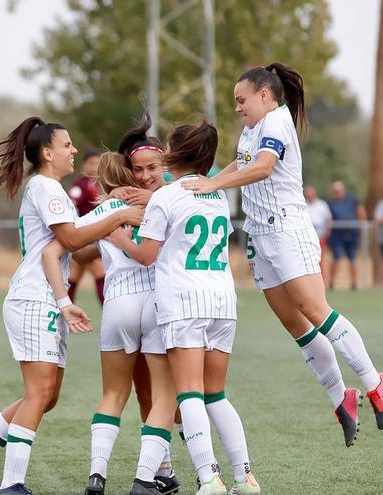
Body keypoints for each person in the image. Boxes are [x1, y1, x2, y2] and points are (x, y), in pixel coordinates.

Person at [181, 63, 383, 448]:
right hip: (261, 237)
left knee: (316, 310)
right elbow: (244, 164)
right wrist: (210, 181)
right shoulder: (252, 129)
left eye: (241, 100)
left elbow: (263, 168)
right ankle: (340, 398)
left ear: (264, 95)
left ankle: (376, 383)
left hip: (286, 230)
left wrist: (213, 183)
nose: (237, 108)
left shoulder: (277, 122)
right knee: (296, 325)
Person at [0, 117, 142, 495]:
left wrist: (110, 226)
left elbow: (79, 246)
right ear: (47, 152)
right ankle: (12, 485)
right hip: (34, 299)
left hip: (43, 300)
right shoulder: (47, 188)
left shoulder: (48, 188)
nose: (73, 150)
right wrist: (116, 215)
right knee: (39, 393)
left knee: (46, 396)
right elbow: (70, 239)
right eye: (67, 145)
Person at [112, 121, 261, 495]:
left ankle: (209, 477)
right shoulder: (217, 195)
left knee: (190, 392)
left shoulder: (166, 196)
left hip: (184, 301)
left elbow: (147, 255)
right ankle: (245, 478)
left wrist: (117, 236)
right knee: (216, 393)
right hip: (223, 300)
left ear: (174, 155)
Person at [42, 151, 181, 495]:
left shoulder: (101, 214)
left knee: (113, 394)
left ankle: (97, 476)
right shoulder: (156, 205)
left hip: (116, 305)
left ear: (100, 182)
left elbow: (73, 249)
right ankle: (148, 477)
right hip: (154, 303)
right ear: (133, 176)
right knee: (164, 395)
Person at [67, 148, 107, 304]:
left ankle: (62, 314)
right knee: (99, 270)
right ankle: (108, 310)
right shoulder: (82, 184)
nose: (95, 167)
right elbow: (71, 202)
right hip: (86, 237)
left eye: (98, 163)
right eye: (91, 163)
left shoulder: (98, 184)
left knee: (74, 276)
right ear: (84, 166)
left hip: (91, 235)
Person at [327, 180, 366, 290]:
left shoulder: (352, 200)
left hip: (352, 233)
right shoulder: (330, 203)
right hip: (337, 235)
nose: (337, 192)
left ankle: (354, 283)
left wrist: (360, 229)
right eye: (335, 191)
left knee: (352, 258)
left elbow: (361, 213)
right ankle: (332, 283)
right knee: (336, 258)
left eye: (339, 190)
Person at [304, 186, 332, 284]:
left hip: (320, 236)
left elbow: (328, 219)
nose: (310, 196)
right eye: (308, 194)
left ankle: (322, 280)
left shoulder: (322, 205)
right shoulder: (302, 204)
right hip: (305, 238)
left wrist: (327, 233)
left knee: (320, 259)